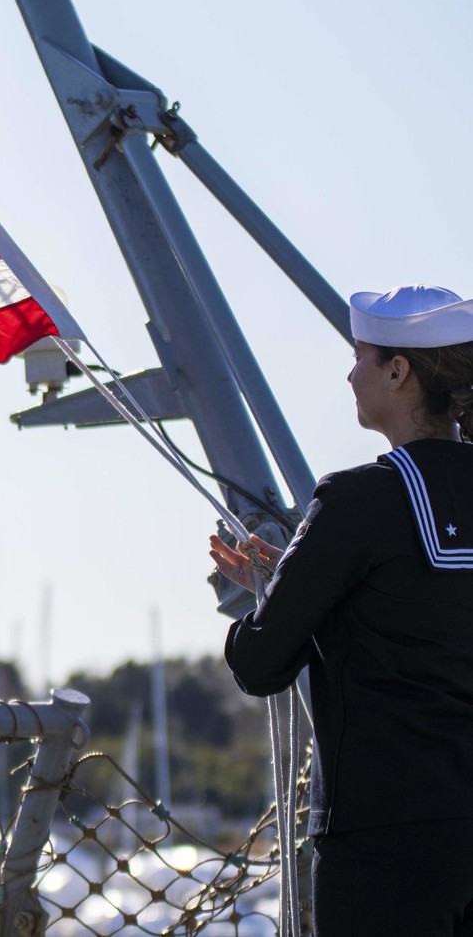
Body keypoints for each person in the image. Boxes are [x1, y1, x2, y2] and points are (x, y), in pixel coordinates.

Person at [211, 285, 473, 936]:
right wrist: (306, 577)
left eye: (360, 355)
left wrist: (279, 596)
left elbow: (262, 662)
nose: (350, 372)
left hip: (385, 845)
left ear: (398, 370)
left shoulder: (354, 502)